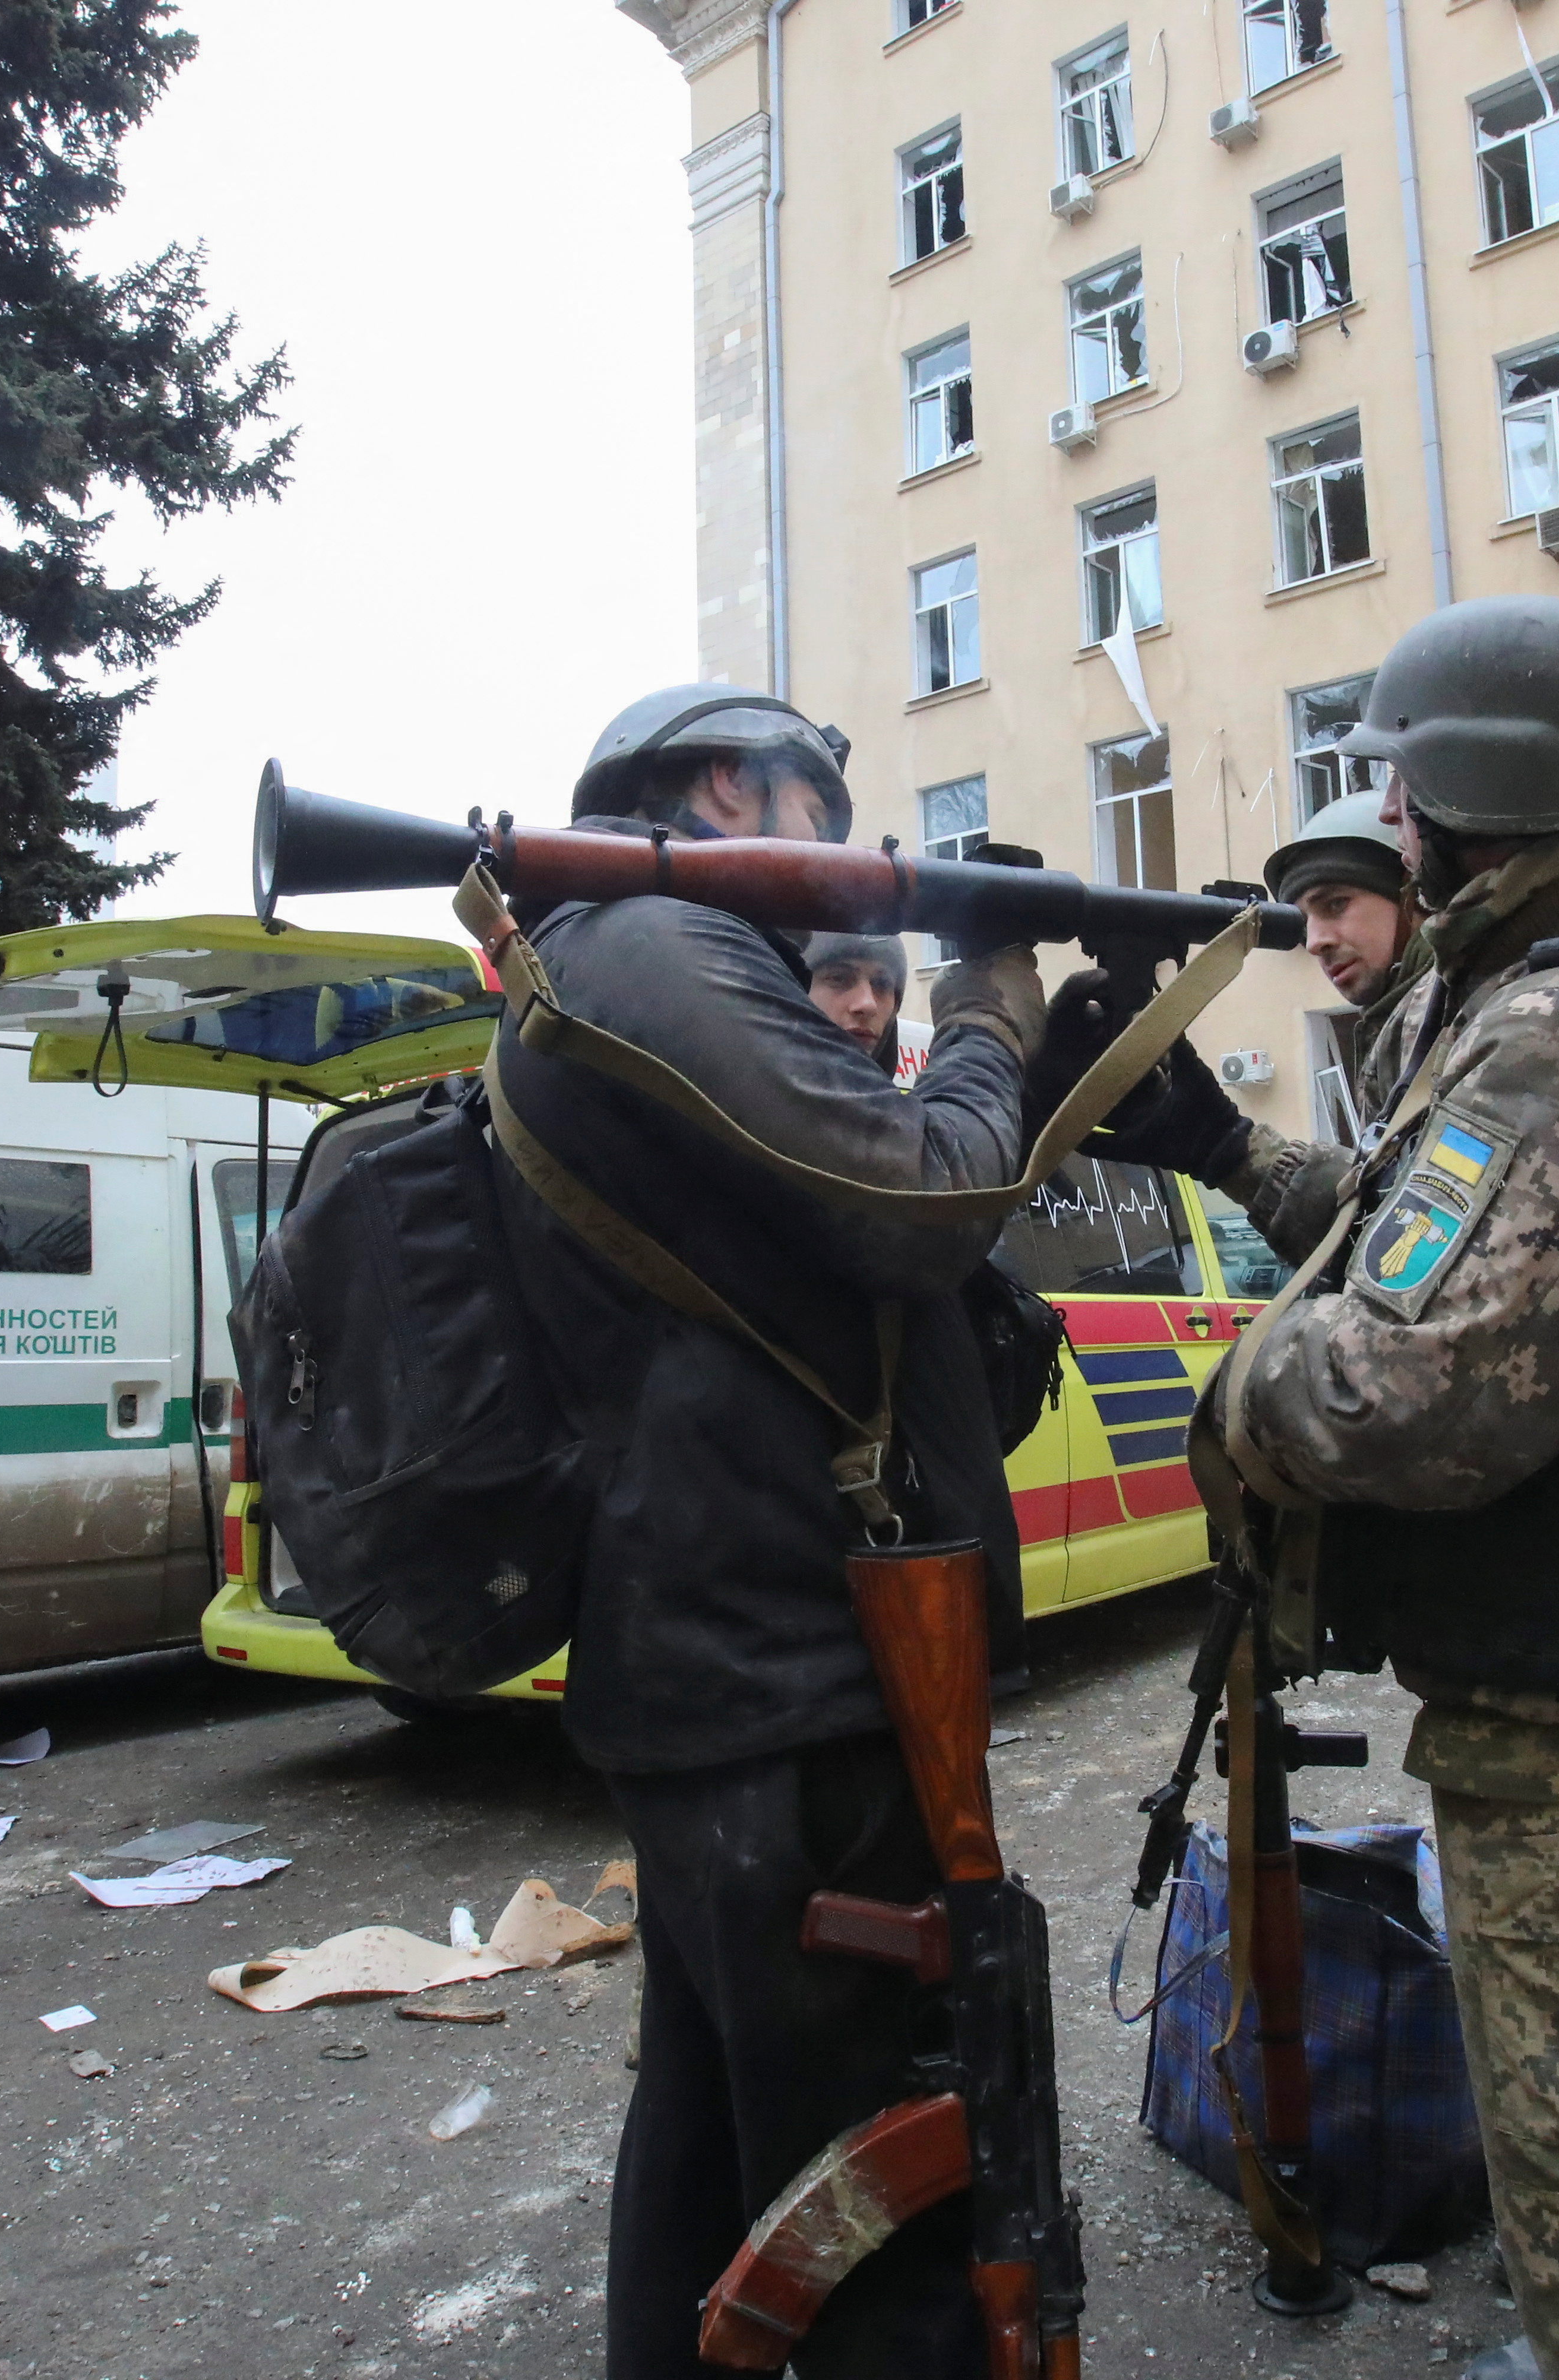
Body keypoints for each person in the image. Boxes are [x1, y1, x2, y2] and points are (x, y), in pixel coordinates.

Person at [1172, 596, 1559, 2380]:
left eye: (1398, 781)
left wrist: (1234, 1390)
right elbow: (1432, 1242)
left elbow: (1404, 1388)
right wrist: (1222, 1150)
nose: (1382, 821)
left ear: (1476, 787)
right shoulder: (1558, 991)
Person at [488, 683, 1055, 2380]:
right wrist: (991, 1018)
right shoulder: (661, 949)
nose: (852, 854)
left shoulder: (624, 961)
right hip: (785, 1673)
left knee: (721, 2136)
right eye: (827, 804)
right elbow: (923, 1197)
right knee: (867, 2198)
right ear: (734, 785)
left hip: (741, 1669)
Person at [1073, 790, 1436, 1254]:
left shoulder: (1459, 1017)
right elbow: (1384, 1230)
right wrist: (1223, 1147)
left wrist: (1222, 1144)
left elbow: (1421, 1253)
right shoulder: (1403, 1026)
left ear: (1413, 895)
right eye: (1303, 921)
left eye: (1336, 904)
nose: (1316, 942)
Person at [801, 928, 909, 1075]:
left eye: (882, 984)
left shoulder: (901, 1099)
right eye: (839, 978)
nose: (868, 1004)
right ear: (798, 988)